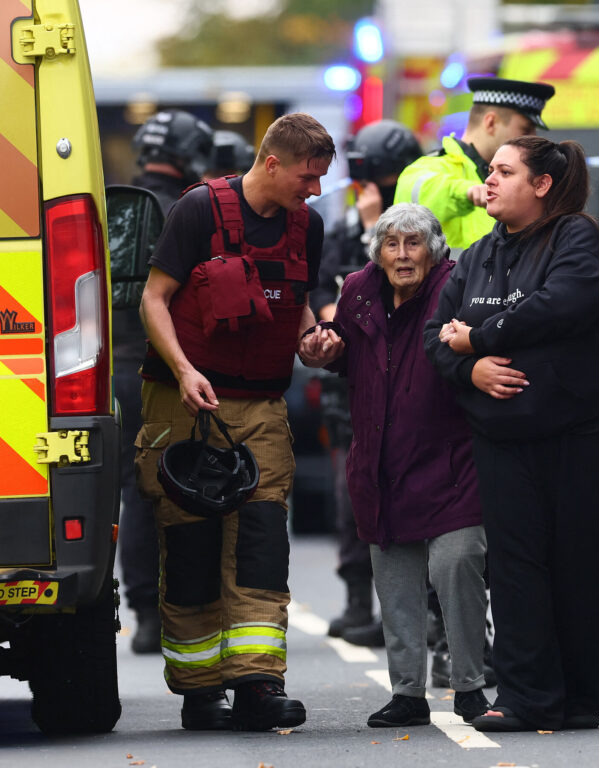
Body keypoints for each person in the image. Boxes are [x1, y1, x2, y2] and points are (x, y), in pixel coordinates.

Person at [424, 136, 599, 732]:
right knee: (515, 567)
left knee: (576, 561)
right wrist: (471, 368)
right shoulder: (476, 256)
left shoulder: (578, 238)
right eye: (489, 170)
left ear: (541, 185)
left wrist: (483, 337)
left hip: (583, 432)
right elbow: (436, 335)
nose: (488, 181)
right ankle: (523, 698)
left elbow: (560, 305)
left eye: (504, 171)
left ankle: (578, 697)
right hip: (503, 437)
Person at [134, 112, 336, 731]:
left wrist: (313, 342)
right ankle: (200, 693)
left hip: (260, 404)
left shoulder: (309, 227)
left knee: (261, 542)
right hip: (184, 399)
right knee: (191, 542)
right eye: (308, 176)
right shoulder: (197, 211)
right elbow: (154, 298)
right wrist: (185, 369)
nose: (315, 190)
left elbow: (298, 301)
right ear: (272, 163)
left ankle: (256, 685)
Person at [299, 203, 491, 728]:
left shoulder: (456, 287)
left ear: (434, 249)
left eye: (414, 243)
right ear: (378, 252)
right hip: (380, 461)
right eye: (392, 244)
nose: (403, 255)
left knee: (457, 564)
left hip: (452, 461)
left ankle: (471, 685)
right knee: (396, 582)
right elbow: (344, 351)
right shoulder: (359, 290)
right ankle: (408, 693)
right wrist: (323, 349)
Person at [310, 119, 422, 648]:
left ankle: (407, 611)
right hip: (351, 396)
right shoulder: (337, 237)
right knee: (351, 498)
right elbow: (337, 315)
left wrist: (382, 233)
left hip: (410, 392)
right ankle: (359, 601)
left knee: (411, 499)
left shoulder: (419, 240)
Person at [116, 109, 214, 654]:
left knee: (135, 492)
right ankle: (189, 613)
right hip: (170, 369)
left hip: (111, 367)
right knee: (182, 487)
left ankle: (146, 616)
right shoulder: (189, 211)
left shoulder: (119, 211)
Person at [394, 77, 555, 256]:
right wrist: (467, 192)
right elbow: (416, 190)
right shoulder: (431, 167)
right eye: (525, 130)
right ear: (490, 122)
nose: (532, 138)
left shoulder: (519, 178)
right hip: (447, 284)